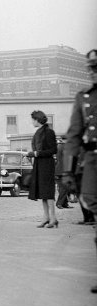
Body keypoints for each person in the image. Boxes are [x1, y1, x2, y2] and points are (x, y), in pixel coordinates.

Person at [60, 48, 97, 293]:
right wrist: (67, 171)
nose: (93, 73)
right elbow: (73, 136)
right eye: (91, 69)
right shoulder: (84, 98)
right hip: (93, 159)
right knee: (92, 202)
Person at [27, 110, 58, 227]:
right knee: (42, 192)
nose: (32, 122)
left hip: (47, 164)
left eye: (33, 120)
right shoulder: (39, 132)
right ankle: (46, 217)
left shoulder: (49, 132)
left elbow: (53, 150)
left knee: (48, 192)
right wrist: (35, 154)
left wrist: (36, 154)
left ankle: (53, 218)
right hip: (39, 164)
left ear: (37, 120)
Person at [54, 137, 70, 209]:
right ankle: (59, 203)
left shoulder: (57, 146)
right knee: (64, 188)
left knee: (62, 188)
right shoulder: (64, 147)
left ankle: (64, 203)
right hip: (61, 171)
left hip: (57, 171)